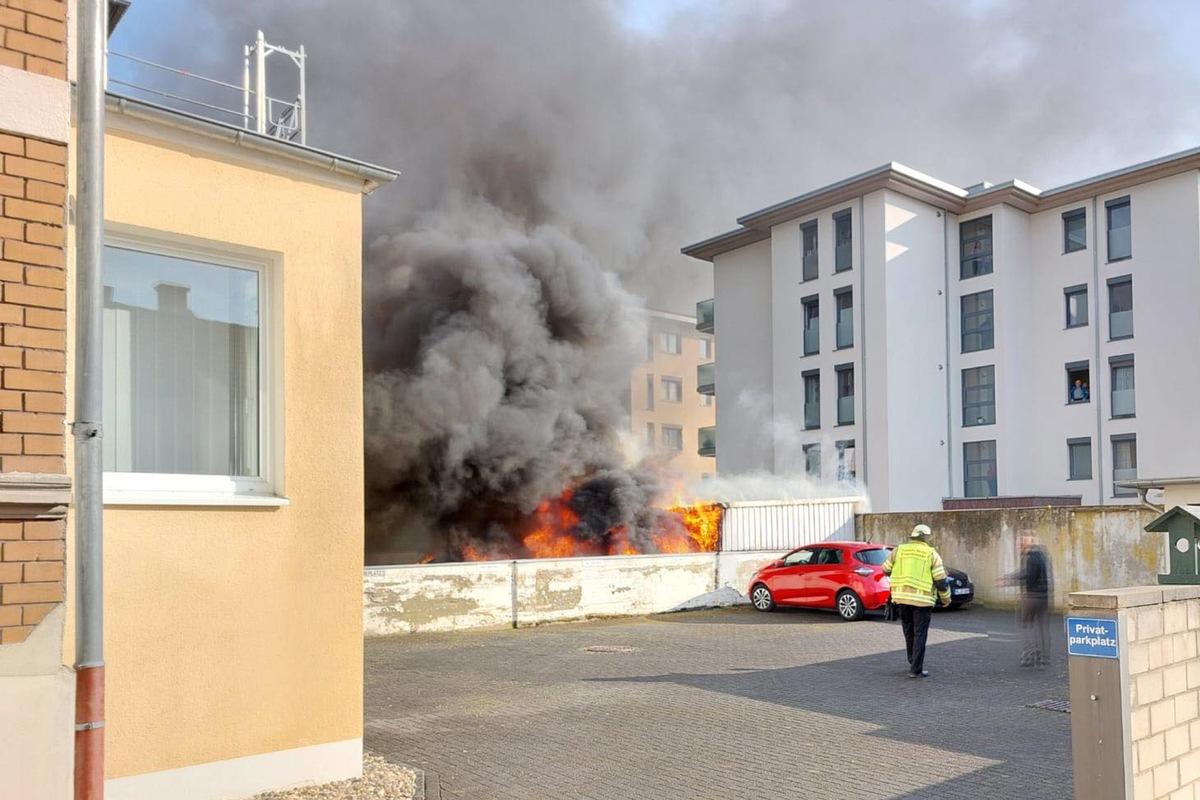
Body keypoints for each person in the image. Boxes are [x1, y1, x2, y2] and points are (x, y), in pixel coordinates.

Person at [881, 524, 951, 678]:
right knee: (920, 634)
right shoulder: (931, 554)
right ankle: (915, 669)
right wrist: (946, 599)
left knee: (908, 631)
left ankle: (912, 660)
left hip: (902, 599)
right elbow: (941, 581)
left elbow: (885, 569)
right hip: (922, 601)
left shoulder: (899, 550)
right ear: (927, 538)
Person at [1002, 534, 1053, 667]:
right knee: (1041, 627)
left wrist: (1010, 580)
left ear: (1028, 544)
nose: (1019, 545)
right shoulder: (1043, 555)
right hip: (1044, 596)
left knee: (1023, 624)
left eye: (1022, 542)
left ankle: (1029, 654)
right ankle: (1044, 657)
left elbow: (1029, 576)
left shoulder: (1030, 558)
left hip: (1032, 596)